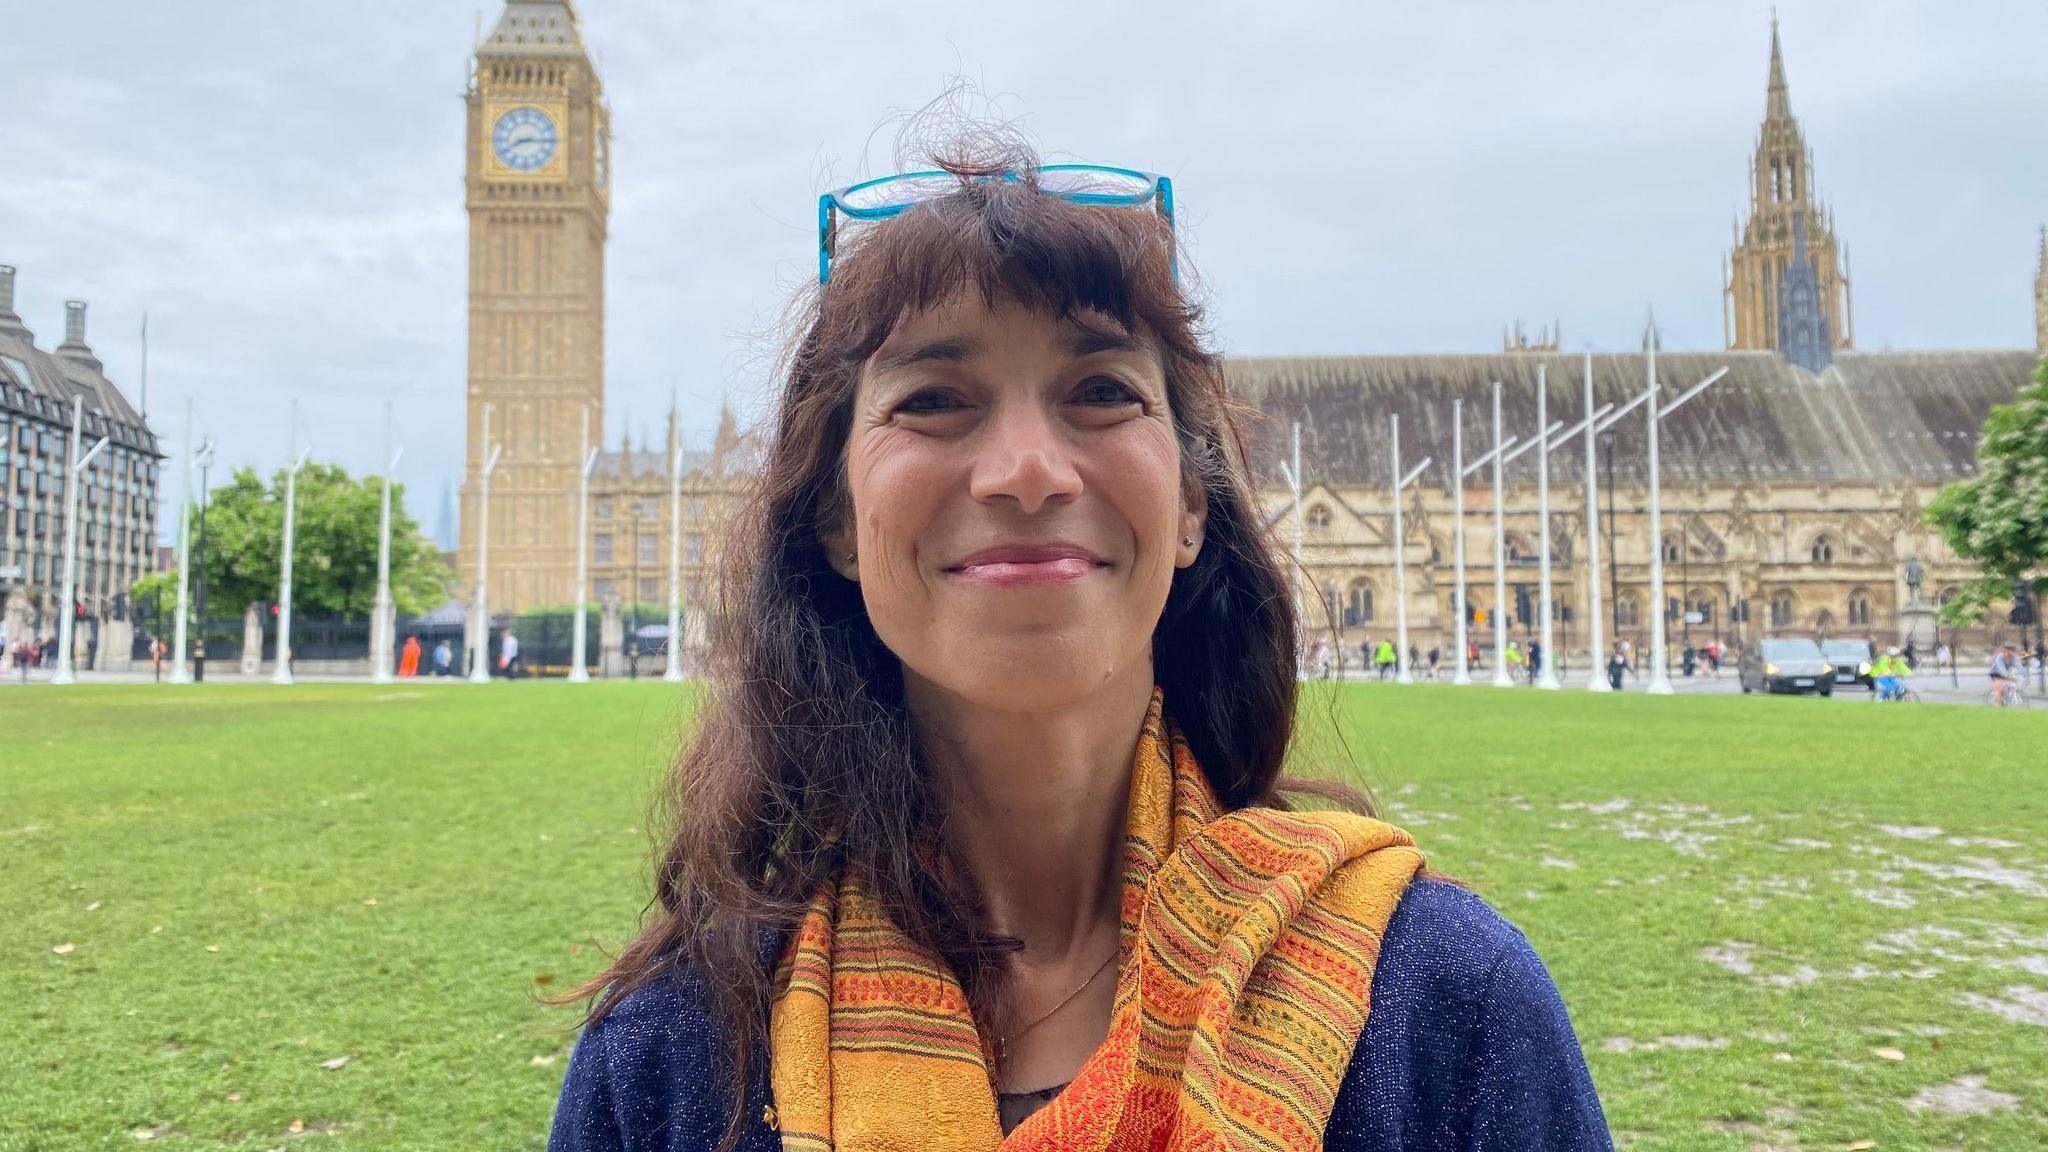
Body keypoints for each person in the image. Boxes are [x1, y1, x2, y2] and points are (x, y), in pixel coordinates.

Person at [546, 145, 1608, 1152]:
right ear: (833, 518)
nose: (1026, 470)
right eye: (933, 400)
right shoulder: (675, 1056)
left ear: (1193, 502)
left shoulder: (1443, 1004)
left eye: (1101, 391)